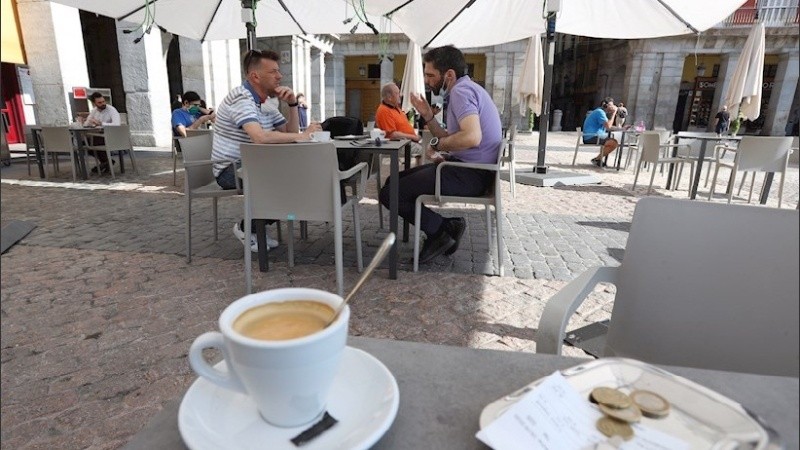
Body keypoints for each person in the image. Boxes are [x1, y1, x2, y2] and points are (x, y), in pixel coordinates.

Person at [379, 45, 502, 264]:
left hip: (469, 175)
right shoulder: (467, 89)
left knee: (390, 192)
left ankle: (440, 231)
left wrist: (437, 144)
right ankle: (445, 227)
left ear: (449, 75)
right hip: (470, 170)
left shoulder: (461, 92)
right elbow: (452, 136)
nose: (427, 80)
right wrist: (427, 115)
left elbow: (472, 137)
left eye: (430, 75)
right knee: (392, 182)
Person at [211, 49, 321, 252]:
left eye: (279, 71)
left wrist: (293, 105)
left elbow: (290, 132)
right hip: (230, 170)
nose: (280, 76)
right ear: (255, 76)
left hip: (255, 165)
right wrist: (303, 136)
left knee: (301, 176)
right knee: (291, 181)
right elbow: (259, 137)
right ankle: (247, 228)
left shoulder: (266, 103)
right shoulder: (241, 97)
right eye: (273, 72)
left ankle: (255, 229)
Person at [375, 82, 423, 158]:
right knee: (426, 152)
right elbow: (393, 135)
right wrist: (413, 137)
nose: (400, 95)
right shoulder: (384, 110)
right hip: (399, 145)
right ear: (389, 97)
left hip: (408, 142)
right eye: (397, 93)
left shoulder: (396, 108)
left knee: (431, 148)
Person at [85, 92, 121, 173]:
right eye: (100, 102)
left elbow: (117, 124)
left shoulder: (111, 110)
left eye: (103, 101)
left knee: (91, 142)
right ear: (94, 104)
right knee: (84, 143)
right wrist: (87, 122)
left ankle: (106, 162)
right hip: (99, 135)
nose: (103, 104)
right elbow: (87, 123)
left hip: (112, 136)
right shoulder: (94, 111)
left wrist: (101, 123)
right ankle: (107, 162)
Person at [582, 97, 620, 167]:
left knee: (613, 141)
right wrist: (614, 113)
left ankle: (597, 160)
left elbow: (608, 126)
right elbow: (608, 126)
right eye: (611, 105)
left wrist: (621, 128)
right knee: (613, 143)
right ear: (605, 105)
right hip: (591, 136)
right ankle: (597, 160)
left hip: (594, 136)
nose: (612, 107)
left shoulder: (600, 112)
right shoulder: (600, 112)